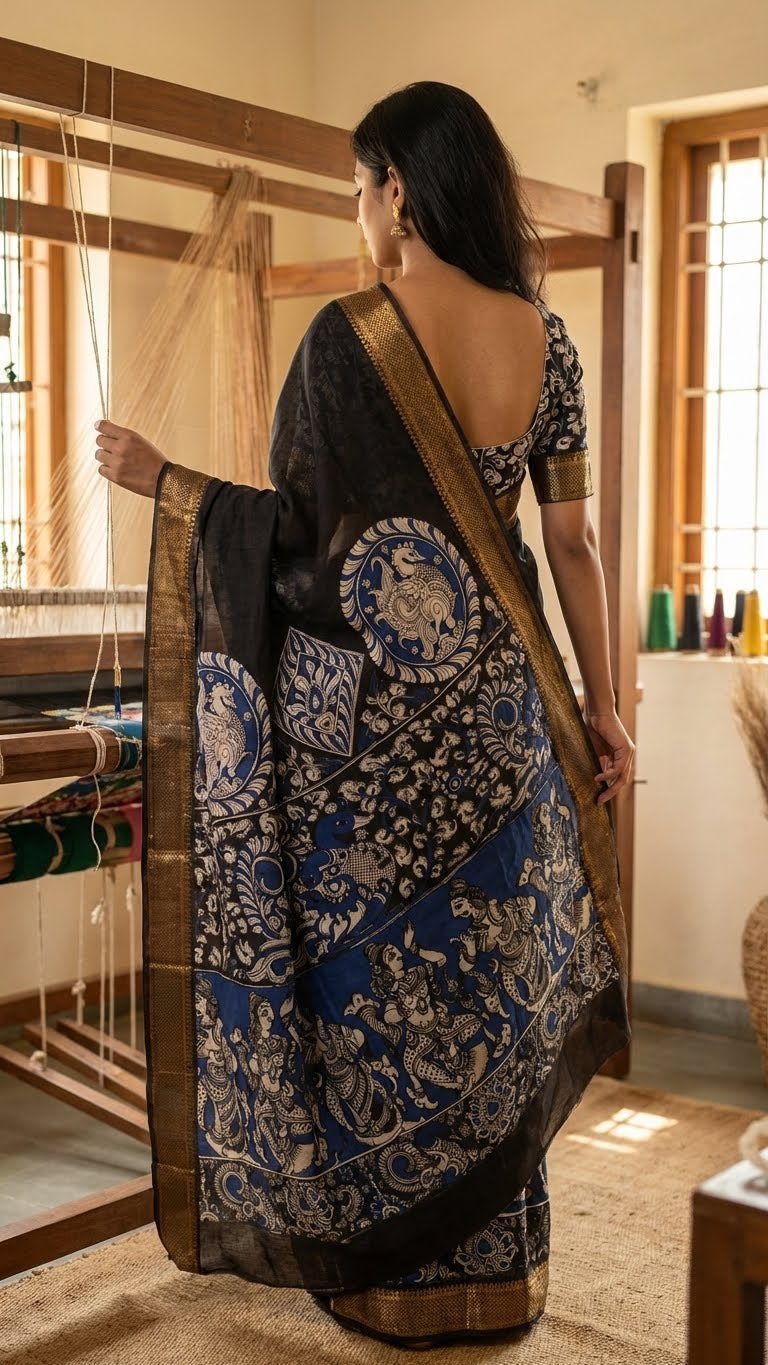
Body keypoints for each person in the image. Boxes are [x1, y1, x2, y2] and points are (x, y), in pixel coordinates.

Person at [95, 81, 634, 1351]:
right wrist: (606, 710)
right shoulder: (547, 341)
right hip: (504, 722)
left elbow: (300, 547)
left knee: (380, 996)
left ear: (399, 187)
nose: (359, 213)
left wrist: (168, 485)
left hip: (377, 750)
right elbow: (574, 544)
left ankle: (390, 1277)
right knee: (487, 982)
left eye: (358, 188)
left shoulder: (348, 339)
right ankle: (500, 1279)